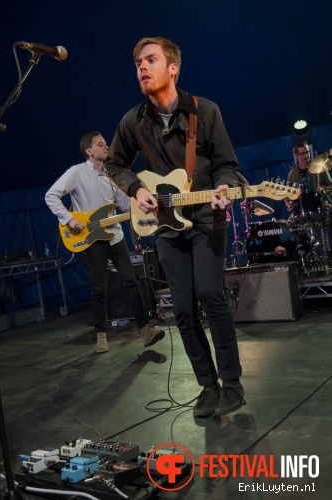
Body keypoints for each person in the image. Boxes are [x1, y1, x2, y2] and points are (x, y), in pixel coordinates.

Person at [104, 37, 245, 417]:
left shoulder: (205, 111)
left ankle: (231, 382)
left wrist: (224, 188)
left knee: (210, 296)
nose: (142, 68)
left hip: (206, 217)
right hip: (165, 225)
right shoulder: (132, 120)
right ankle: (207, 385)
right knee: (182, 308)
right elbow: (113, 163)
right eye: (137, 63)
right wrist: (135, 189)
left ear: (173, 68)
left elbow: (227, 164)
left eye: (150, 60)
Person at [45, 131, 165, 353]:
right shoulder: (76, 173)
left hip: (115, 235)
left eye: (106, 143)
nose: (106, 147)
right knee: (100, 287)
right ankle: (101, 335)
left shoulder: (112, 174)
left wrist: (146, 205)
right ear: (89, 151)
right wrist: (69, 219)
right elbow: (51, 195)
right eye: (101, 145)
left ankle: (146, 328)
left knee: (130, 280)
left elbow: (125, 205)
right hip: (91, 237)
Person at [285, 141, 332, 215]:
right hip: (302, 207)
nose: (306, 155)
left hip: (321, 203)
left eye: (307, 152)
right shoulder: (292, 174)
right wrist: (288, 201)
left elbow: (330, 186)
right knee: (290, 223)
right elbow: (289, 195)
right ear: (296, 155)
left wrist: (323, 191)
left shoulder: (320, 168)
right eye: (302, 154)